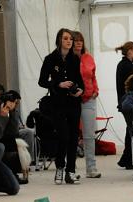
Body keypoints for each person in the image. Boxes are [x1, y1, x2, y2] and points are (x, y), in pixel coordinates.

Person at [38, 28, 84, 184]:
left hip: (73, 103)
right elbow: (42, 81)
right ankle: (59, 167)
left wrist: (80, 90)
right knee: (63, 136)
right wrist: (58, 84)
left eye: (70, 39)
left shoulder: (75, 59)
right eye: (65, 38)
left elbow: (79, 79)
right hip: (58, 103)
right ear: (59, 40)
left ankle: (71, 171)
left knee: (73, 137)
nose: (69, 41)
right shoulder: (50, 59)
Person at [72, 31, 101, 179]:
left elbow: (93, 76)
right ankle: (71, 168)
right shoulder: (68, 59)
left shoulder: (88, 58)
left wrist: (96, 90)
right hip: (72, 100)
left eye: (80, 40)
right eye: (76, 40)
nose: (78, 43)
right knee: (71, 134)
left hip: (89, 98)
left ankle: (91, 167)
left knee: (89, 134)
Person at [115, 41, 133, 169]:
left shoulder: (126, 64)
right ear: (129, 52)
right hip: (127, 101)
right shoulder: (126, 65)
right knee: (131, 130)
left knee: (130, 130)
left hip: (125, 100)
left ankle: (127, 159)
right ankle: (128, 159)